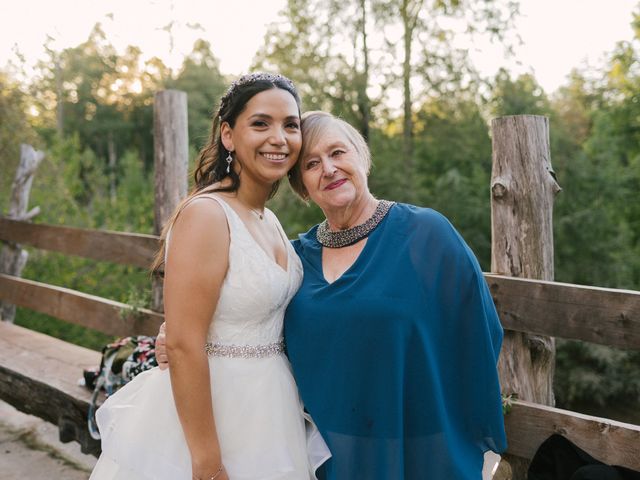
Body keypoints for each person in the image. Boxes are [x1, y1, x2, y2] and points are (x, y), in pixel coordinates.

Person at [159, 110, 507, 479]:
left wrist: (443, 418)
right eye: (311, 163)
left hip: (418, 446)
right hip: (327, 453)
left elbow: (480, 331)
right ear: (301, 185)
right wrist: (177, 337)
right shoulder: (295, 259)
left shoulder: (426, 234)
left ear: (362, 157)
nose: (328, 168)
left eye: (338, 153)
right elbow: (251, 317)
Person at [90, 73, 330, 480]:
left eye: (290, 124)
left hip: (270, 411)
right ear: (228, 135)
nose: (279, 137)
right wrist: (206, 461)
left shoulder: (267, 219)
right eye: (260, 123)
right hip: (212, 416)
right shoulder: (206, 215)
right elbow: (184, 343)